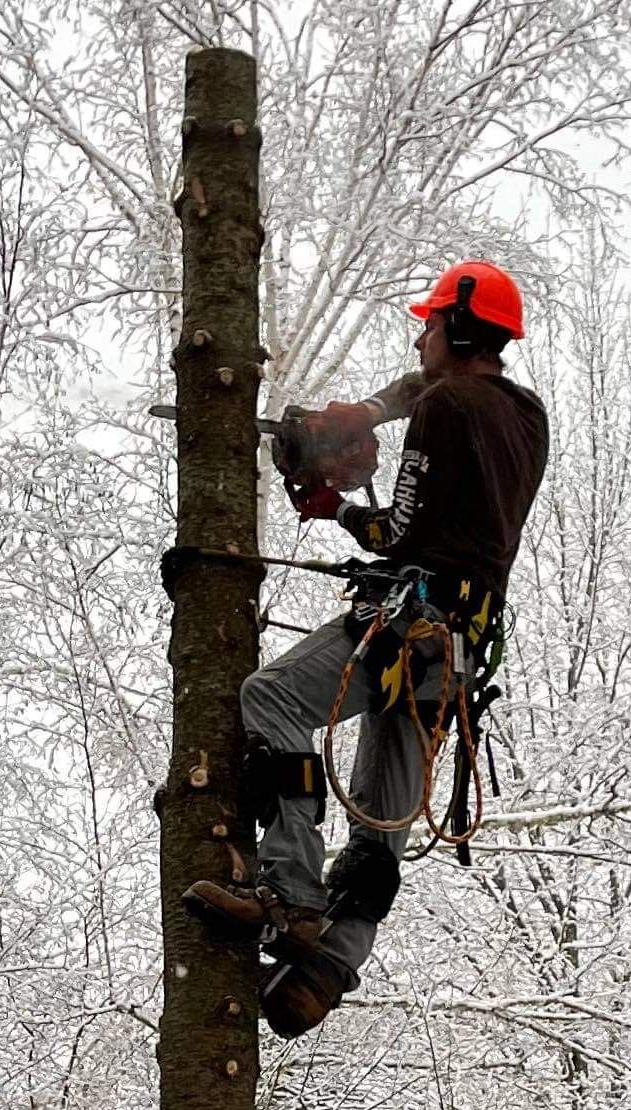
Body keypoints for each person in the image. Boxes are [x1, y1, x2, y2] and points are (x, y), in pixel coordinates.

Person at [185, 256, 547, 1037]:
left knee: (272, 697)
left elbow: (402, 530)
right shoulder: (526, 417)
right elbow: (427, 401)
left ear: (455, 325)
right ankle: (329, 966)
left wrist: (335, 507)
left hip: (406, 619)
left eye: (428, 326)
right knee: (383, 819)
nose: (419, 339)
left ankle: (291, 893)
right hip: (461, 650)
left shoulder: (445, 407)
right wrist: (366, 414)